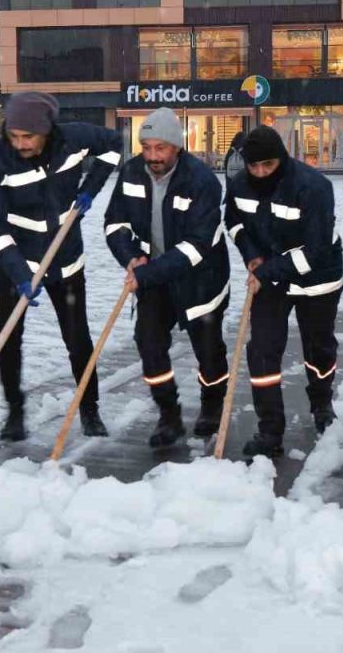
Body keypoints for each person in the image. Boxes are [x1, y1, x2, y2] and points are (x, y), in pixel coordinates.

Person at [0, 92, 123, 442]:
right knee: (9, 338)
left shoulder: (73, 139)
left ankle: (89, 409)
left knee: (77, 338)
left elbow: (114, 145)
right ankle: (14, 413)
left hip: (66, 260)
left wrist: (90, 188)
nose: (20, 144)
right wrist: (18, 272)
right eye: (14, 136)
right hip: (16, 263)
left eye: (28, 136)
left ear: (45, 130)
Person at [104, 108, 230, 447]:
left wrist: (147, 273)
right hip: (154, 278)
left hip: (200, 280)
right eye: (146, 147)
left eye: (160, 148)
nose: (152, 156)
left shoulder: (201, 181)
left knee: (208, 349)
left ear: (177, 146)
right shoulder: (132, 172)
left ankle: (212, 405)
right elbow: (115, 223)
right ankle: (168, 414)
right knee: (149, 343)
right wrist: (130, 256)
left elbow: (197, 246)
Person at [224, 126, 343, 459]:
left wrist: (266, 270)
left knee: (318, 347)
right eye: (254, 166)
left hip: (317, 277)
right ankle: (270, 429)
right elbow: (233, 222)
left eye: (268, 165)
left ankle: (321, 402)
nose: (261, 172)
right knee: (261, 350)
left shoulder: (313, 187)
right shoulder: (239, 185)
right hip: (270, 278)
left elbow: (315, 250)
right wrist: (251, 255)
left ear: (282, 158)